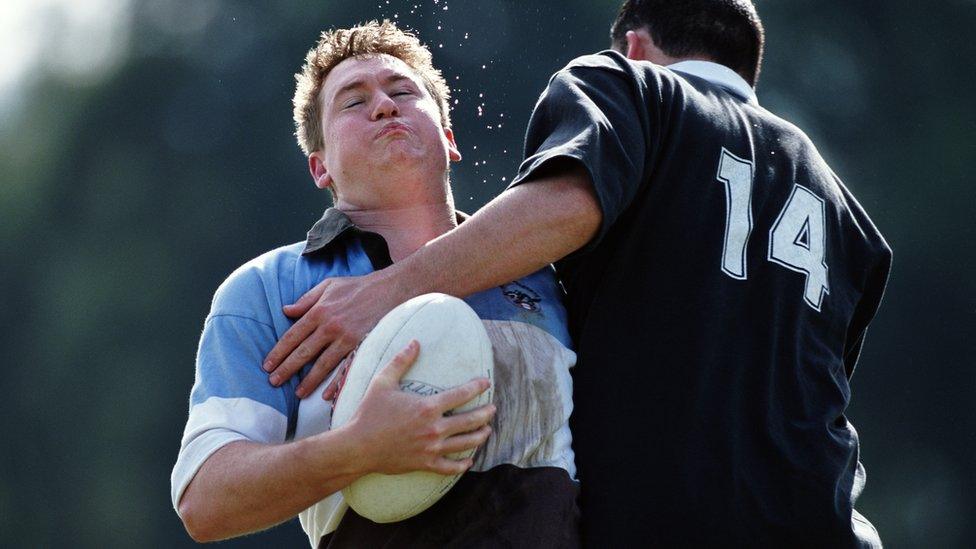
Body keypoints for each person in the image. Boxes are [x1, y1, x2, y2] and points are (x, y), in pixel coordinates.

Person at [263, 1, 892, 546]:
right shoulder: (851, 217)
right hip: (825, 522)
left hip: (666, 524)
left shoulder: (632, 84)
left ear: (637, 46)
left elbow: (567, 206)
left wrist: (388, 291)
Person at [171, 21, 580, 547]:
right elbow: (205, 501)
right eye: (352, 101)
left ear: (449, 140)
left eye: (403, 91)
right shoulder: (268, 289)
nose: (385, 106)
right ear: (320, 167)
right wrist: (357, 449)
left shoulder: (542, 271)